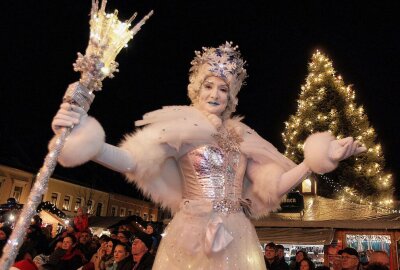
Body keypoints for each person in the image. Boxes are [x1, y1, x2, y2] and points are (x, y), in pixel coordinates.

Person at [51, 42, 365, 269]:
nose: (215, 94)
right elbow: (135, 161)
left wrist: (313, 161)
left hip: (236, 232)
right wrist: (90, 146)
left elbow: (276, 184)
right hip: (191, 230)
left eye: (223, 88)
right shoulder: (182, 128)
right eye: (209, 86)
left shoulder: (245, 137)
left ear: (233, 95)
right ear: (197, 89)